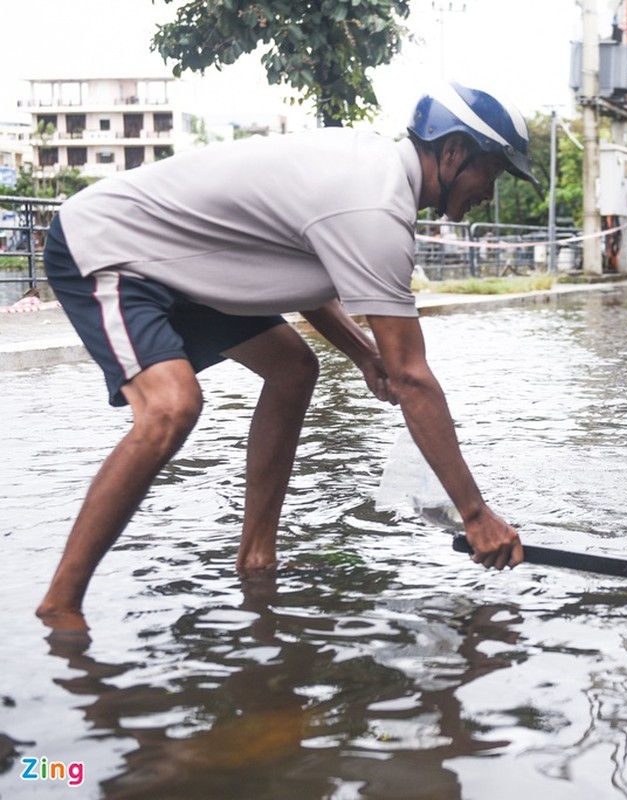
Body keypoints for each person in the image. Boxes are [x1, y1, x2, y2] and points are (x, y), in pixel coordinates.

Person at [36, 81, 533, 634]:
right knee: (170, 408)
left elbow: (303, 273)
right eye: (493, 171)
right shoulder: (376, 201)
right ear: (453, 152)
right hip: (112, 246)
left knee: (294, 369)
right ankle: (61, 603)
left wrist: (363, 354)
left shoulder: (370, 177)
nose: (491, 190)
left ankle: (256, 557)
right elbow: (413, 379)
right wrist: (475, 516)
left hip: (191, 266)